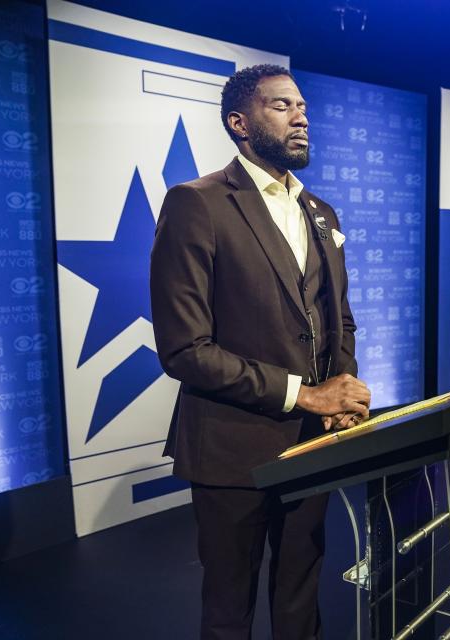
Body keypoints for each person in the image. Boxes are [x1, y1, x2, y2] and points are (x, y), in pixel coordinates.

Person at [150, 64, 372, 640]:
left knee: (301, 596)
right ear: (239, 123)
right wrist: (306, 393)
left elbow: (337, 319)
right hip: (231, 448)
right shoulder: (196, 203)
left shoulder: (322, 212)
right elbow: (184, 349)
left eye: (302, 106)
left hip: (314, 443)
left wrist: (341, 391)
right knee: (229, 608)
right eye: (282, 106)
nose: (301, 116)